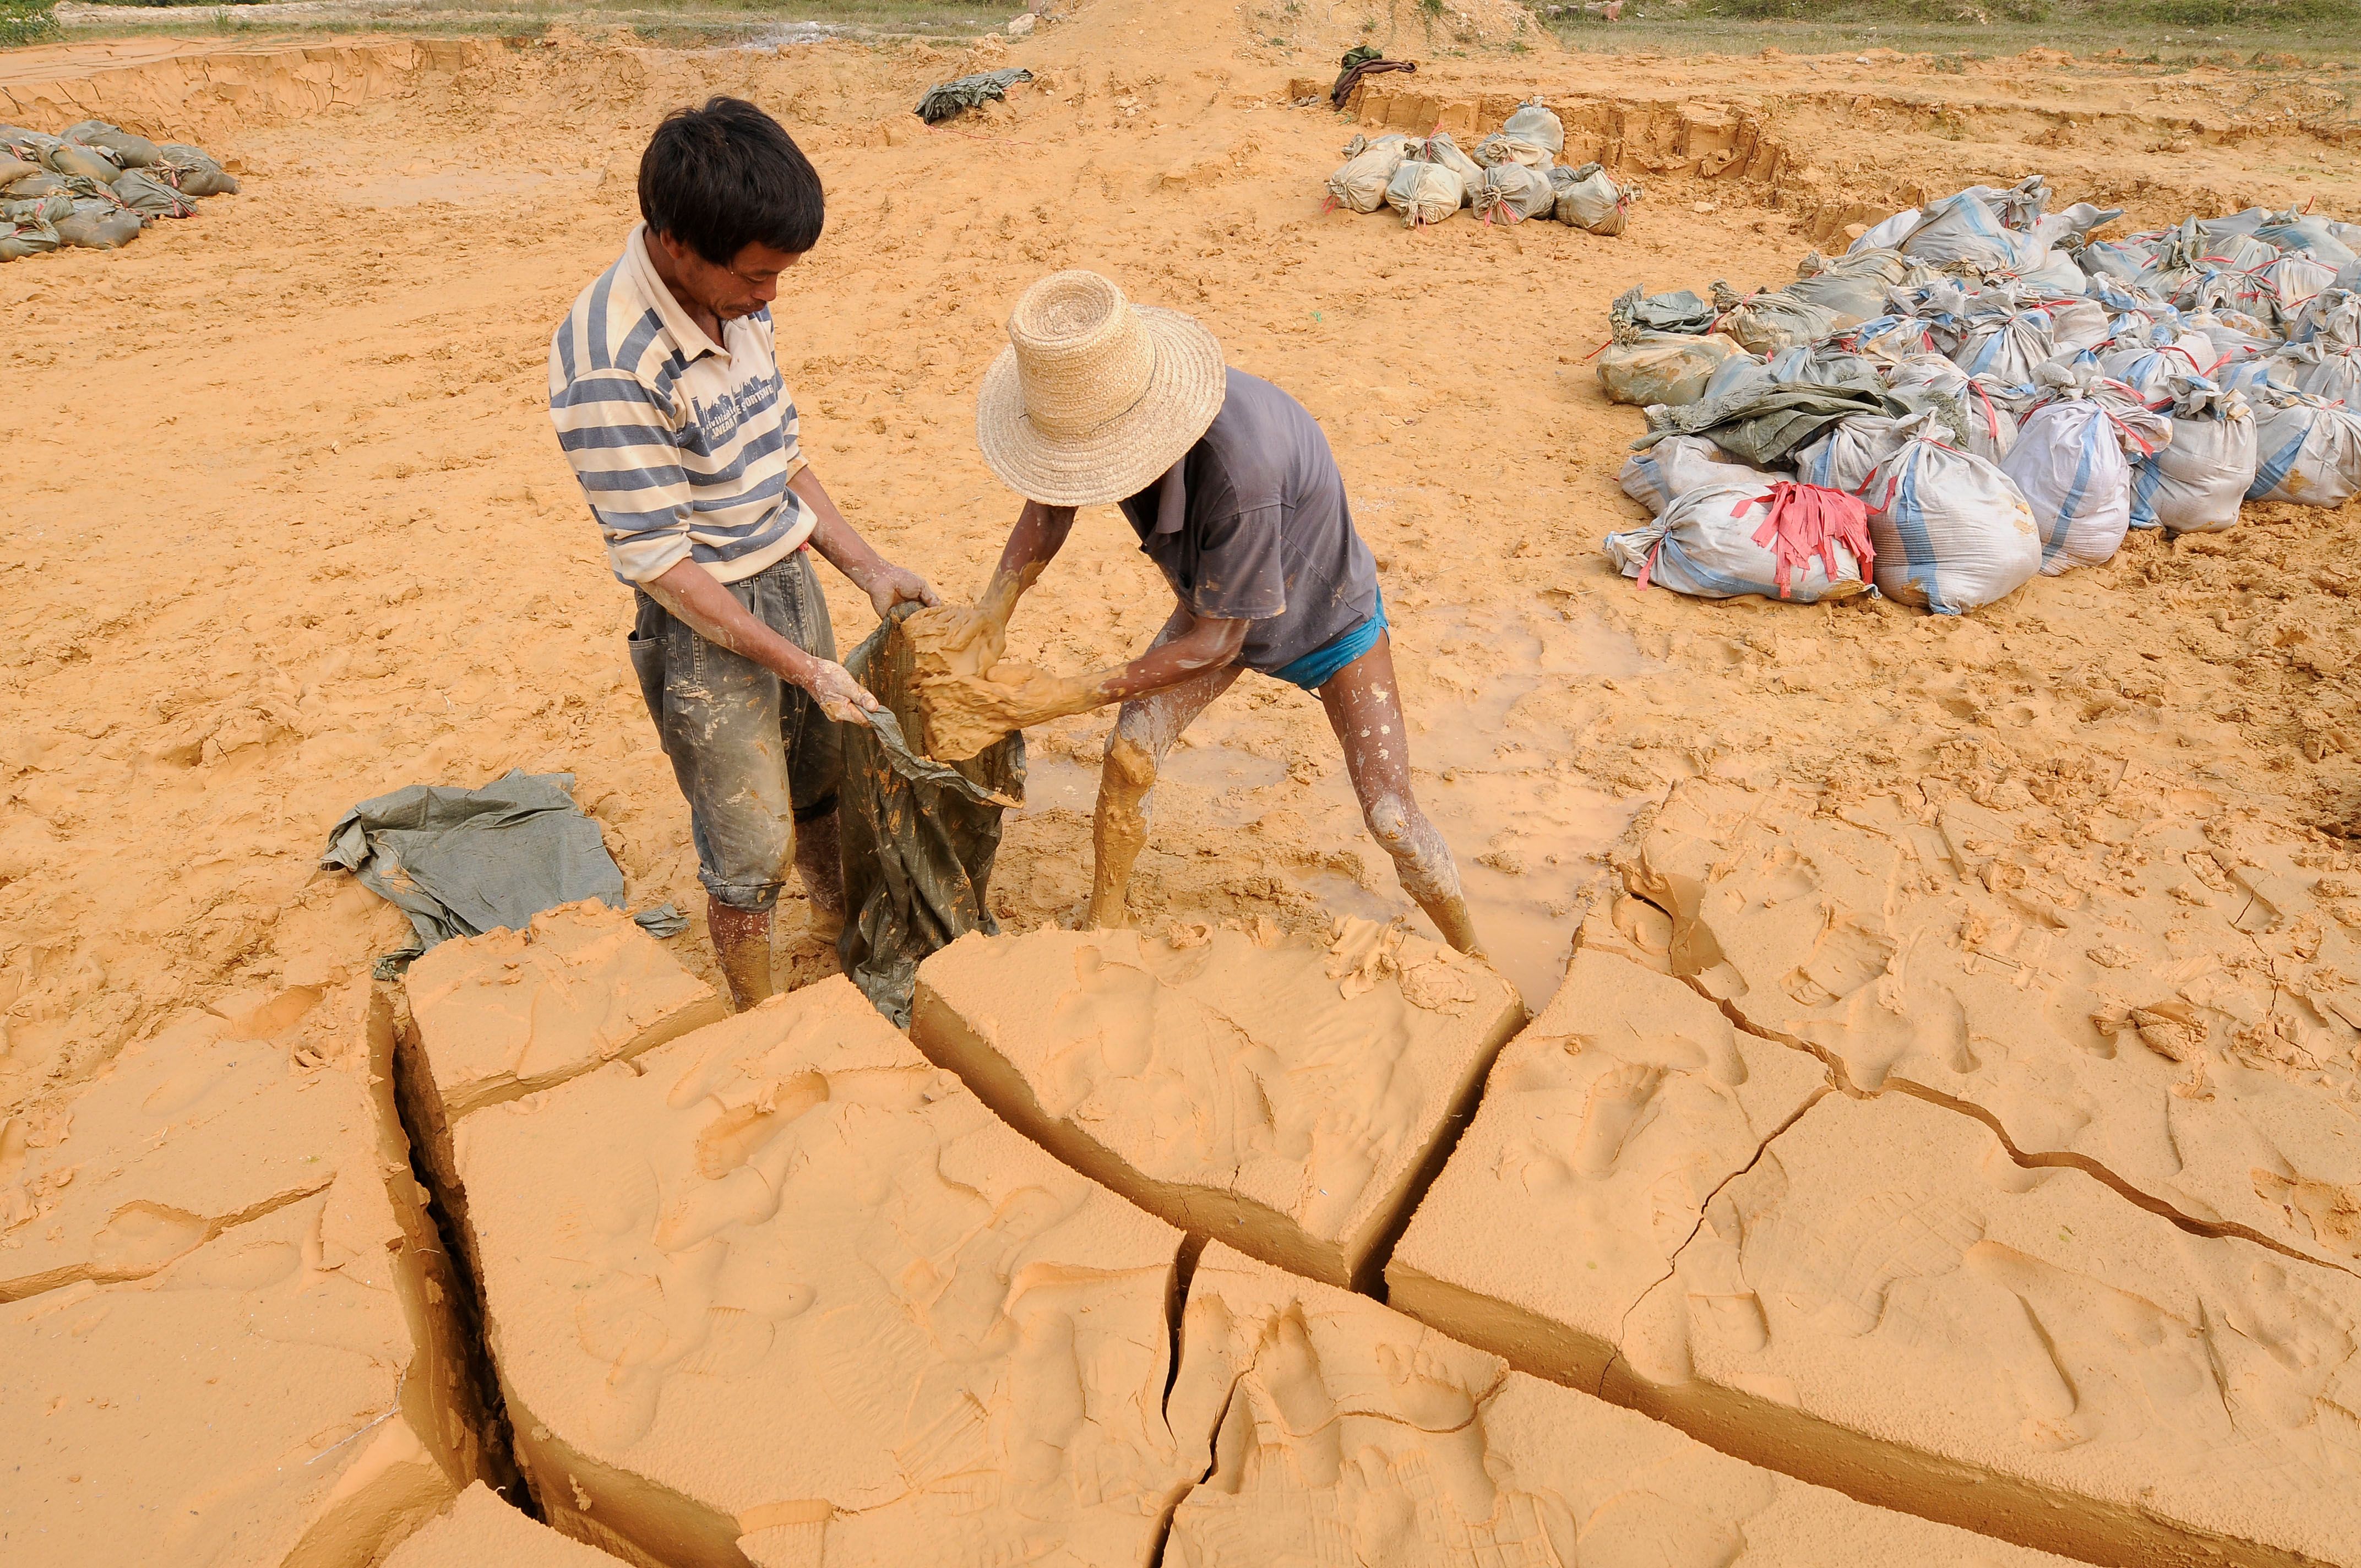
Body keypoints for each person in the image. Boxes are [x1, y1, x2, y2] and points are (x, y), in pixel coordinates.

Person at [922, 269, 1481, 954]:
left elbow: (1217, 645)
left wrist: (1063, 696)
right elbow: (1051, 504)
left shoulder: (1241, 475)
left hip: (1327, 620)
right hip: (1213, 594)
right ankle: (1105, 922)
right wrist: (993, 609)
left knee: (1392, 818)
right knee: (1130, 750)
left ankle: (1473, 953)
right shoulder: (1101, 408)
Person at [546, 96, 938, 1011]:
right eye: (760, 276)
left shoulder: (738, 301)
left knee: (822, 780)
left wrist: (870, 569)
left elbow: (781, 458)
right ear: (678, 243)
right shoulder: (611, 361)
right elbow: (661, 564)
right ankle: (756, 1014)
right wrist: (805, 668)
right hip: (702, 619)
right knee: (750, 845)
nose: (772, 298)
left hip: (786, 574)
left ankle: (837, 929)